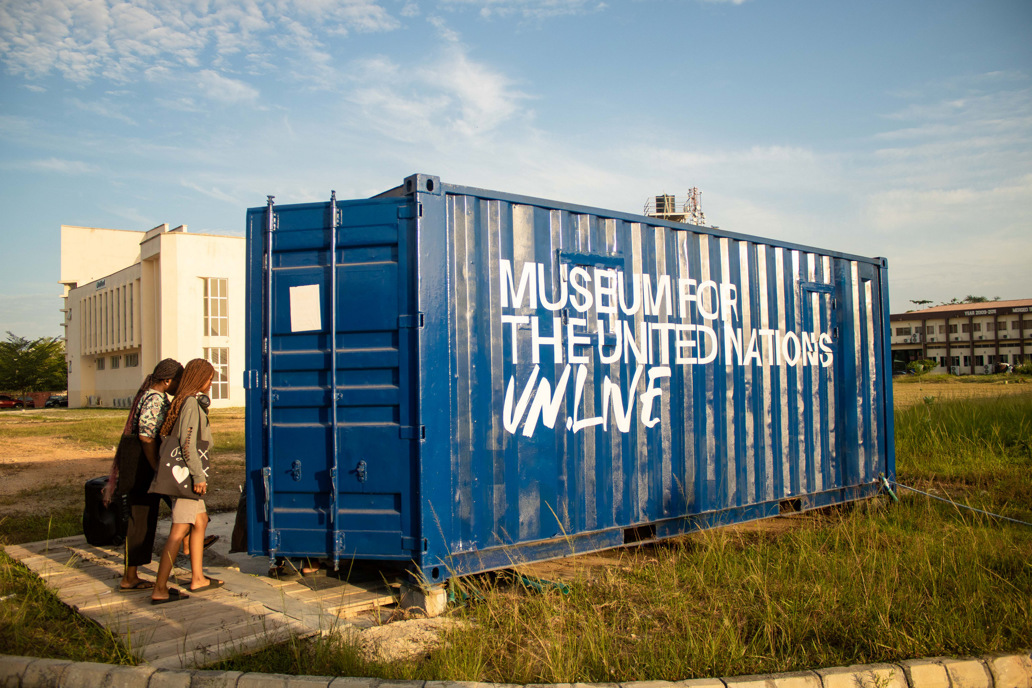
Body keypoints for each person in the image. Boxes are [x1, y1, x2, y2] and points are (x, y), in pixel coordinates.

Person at [151, 358, 224, 604]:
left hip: (187, 476)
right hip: (188, 478)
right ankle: (160, 588)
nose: (211, 383)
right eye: (209, 378)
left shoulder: (186, 401)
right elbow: (187, 444)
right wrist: (198, 476)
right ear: (198, 379)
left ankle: (198, 578)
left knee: (200, 521)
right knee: (178, 531)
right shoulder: (191, 403)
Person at [109, 358, 184, 593]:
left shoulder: (149, 395)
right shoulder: (154, 399)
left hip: (142, 467)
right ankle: (129, 577)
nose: (178, 386)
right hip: (144, 467)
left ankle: (131, 575)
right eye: (178, 381)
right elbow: (146, 437)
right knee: (142, 518)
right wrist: (156, 467)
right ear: (167, 380)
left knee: (147, 516)